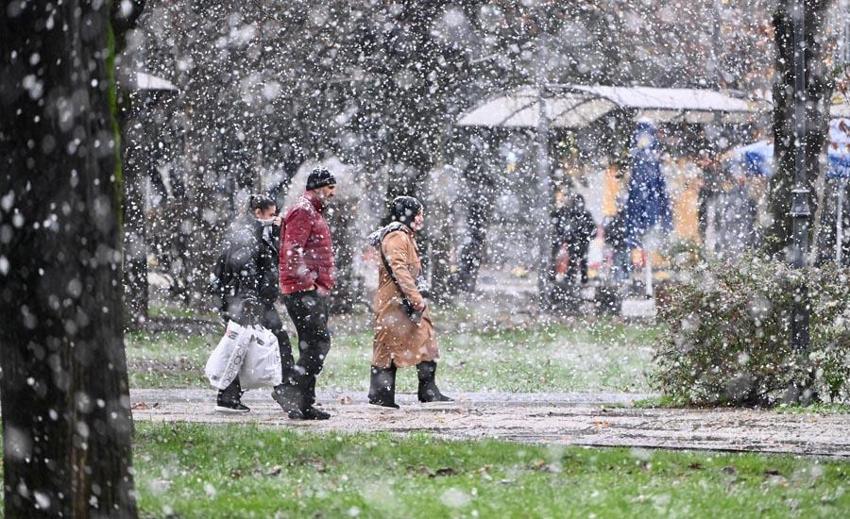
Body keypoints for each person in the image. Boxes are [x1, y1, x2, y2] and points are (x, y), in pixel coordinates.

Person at [367, 196, 452, 409]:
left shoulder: (405, 235)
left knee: (426, 339)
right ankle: (382, 394)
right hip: (394, 303)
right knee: (387, 347)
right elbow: (400, 270)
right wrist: (415, 298)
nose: (422, 217)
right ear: (409, 214)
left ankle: (427, 390)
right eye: (419, 213)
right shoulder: (397, 236)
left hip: (402, 301)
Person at [212, 194, 293, 413]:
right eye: (271, 214)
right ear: (258, 212)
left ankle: (228, 396)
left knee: (242, 345)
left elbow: (265, 261)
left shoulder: (256, 232)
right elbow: (244, 267)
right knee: (278, 343)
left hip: (250, 299)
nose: (275, 218)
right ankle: (286, 391)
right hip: (249, 301)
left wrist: (275, 233)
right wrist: (250, 298)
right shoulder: (248, 234)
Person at [273, 168, 337, 420]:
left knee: (311, 345)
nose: (333, 193)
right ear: (318, 187)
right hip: (302, 291)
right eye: (330, 187)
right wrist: (309, 283)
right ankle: (289, 389)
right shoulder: (303, 210)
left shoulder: (313, 211)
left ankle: (304, 403)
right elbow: (292, 250)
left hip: (310, 291)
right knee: (319, 343)